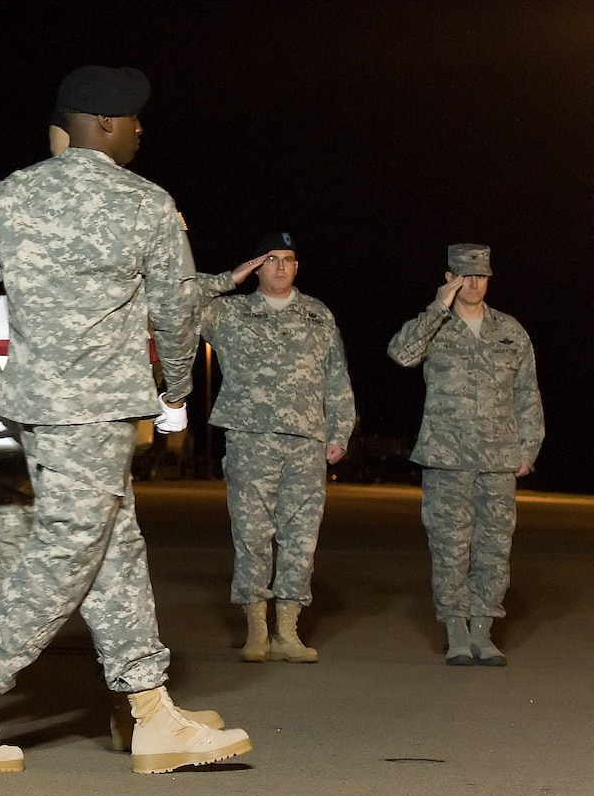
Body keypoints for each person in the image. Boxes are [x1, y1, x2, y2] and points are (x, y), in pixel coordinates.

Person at [0, 65, 251, 775]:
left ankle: (150, 710)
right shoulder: (146, 202)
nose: (139, 130)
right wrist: (179, 392)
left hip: (38, 407)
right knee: (67, 551)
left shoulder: (12, 192)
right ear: (104, 125)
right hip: (97, 407)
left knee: (114, 550)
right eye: (132, 119)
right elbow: (177, 310)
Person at [198, 232, 355, 663]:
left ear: (297, 266)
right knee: (252, 536)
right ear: (256, 266)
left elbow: (336, 376)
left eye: (287, 259)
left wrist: (340, 431)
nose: (281, 267)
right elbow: (177, 299)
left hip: (306, 441)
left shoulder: (318, 314)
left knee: (301, 538)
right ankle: (257, 631)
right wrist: (229, 279)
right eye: (270, 259)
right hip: (250, 439)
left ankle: (288, 632)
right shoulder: (229, 313)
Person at [387, 244, 543, 665]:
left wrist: (528, 448)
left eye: (479, 276)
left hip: (498, 460)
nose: (472, 283)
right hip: (447, 458)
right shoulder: (436, 325)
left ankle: (483, 632)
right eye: (463, 275)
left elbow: (527, 396)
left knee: (493, 548)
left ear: (489, 278)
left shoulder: (511, 331)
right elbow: (400, 352)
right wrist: (437, 307)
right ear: (449, 277)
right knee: (450, 547)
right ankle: (456, 632)